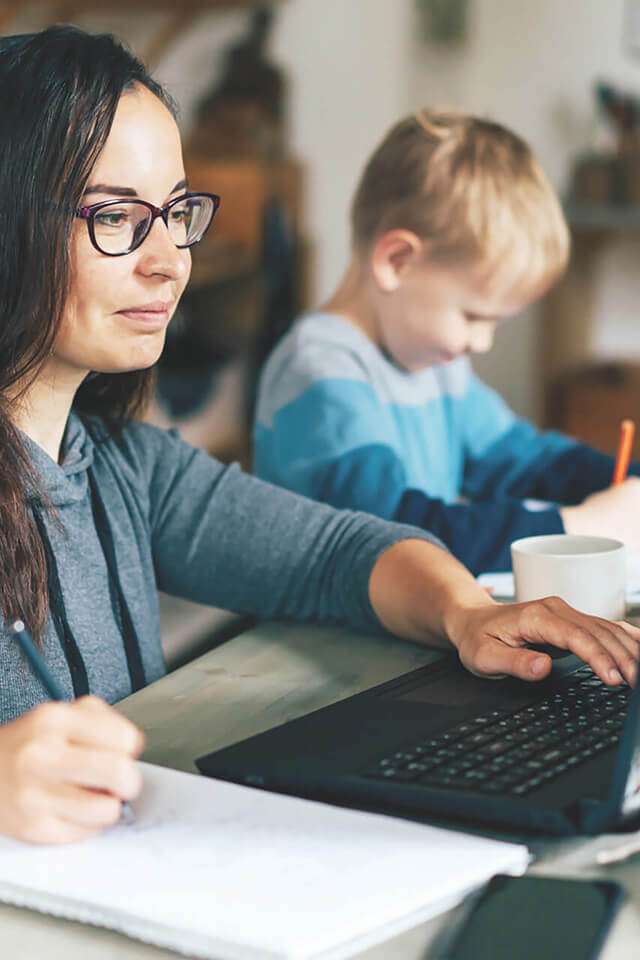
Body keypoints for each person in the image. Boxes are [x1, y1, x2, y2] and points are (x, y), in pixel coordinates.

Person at [0, 28, 638, 847]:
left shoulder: (128, 469)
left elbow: (334, 552)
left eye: (176, 212)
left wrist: (466, 614)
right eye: (119, 216)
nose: (171, 261)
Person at [254, 110, 640, 575]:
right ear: (397, 261)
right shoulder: (319, 372)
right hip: (310, 638)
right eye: (474, 315)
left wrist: (623, 486)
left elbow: (520, 458)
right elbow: (398, 534)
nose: (483, 342)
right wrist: (574, 526)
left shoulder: (434, 362)